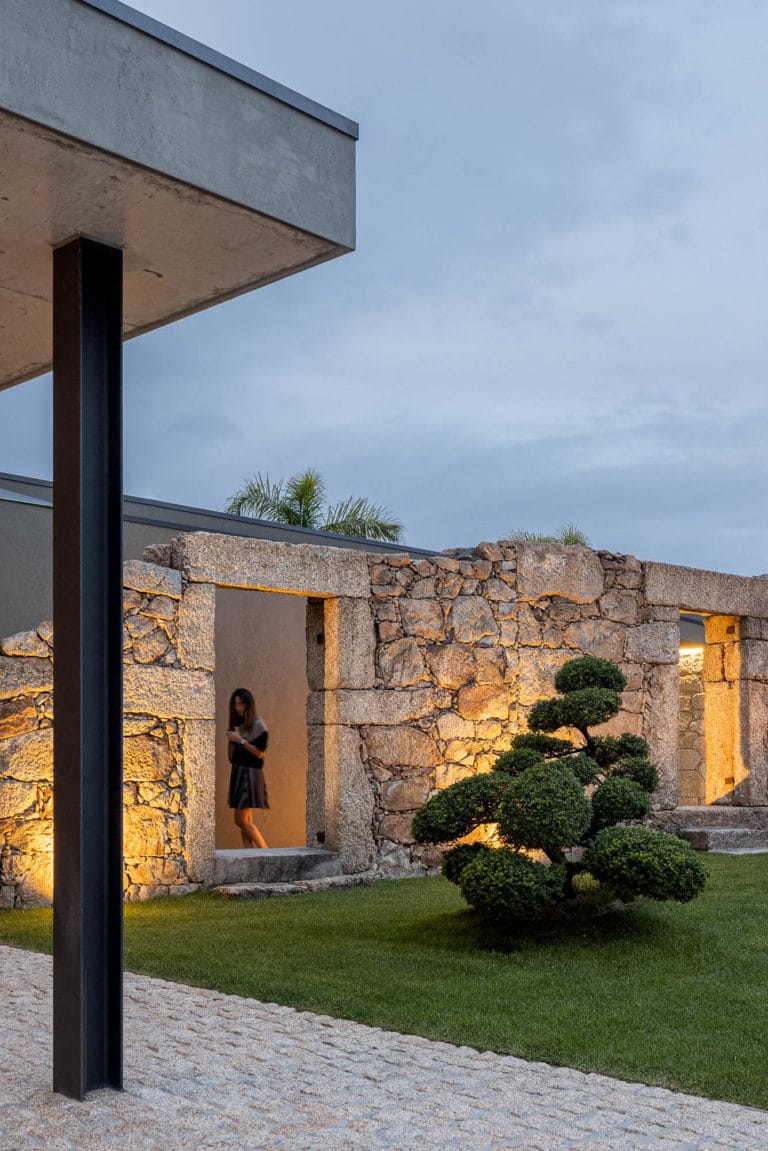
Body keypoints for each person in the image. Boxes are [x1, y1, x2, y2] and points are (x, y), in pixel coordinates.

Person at [226, 687, 269, 849]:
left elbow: (259, 753)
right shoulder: (240, 723)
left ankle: (266, 853)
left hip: (250, 774)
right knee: (246, 820)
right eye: (235, 704)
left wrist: (240, 740)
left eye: (241, 704)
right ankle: (249, 854)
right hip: (239, 772)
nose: (238, 707)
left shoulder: (258, 725)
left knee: (241, 820)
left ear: (249, 705)